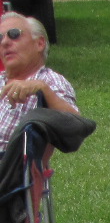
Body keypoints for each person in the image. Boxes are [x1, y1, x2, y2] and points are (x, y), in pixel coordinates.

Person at [0, 12, 76, 147]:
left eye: (14, 34)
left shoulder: (48, 80)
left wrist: (43, 89)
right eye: (0, 38)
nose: (5, 42)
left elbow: (75, 127)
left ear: (39, 43)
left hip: (11, 165)